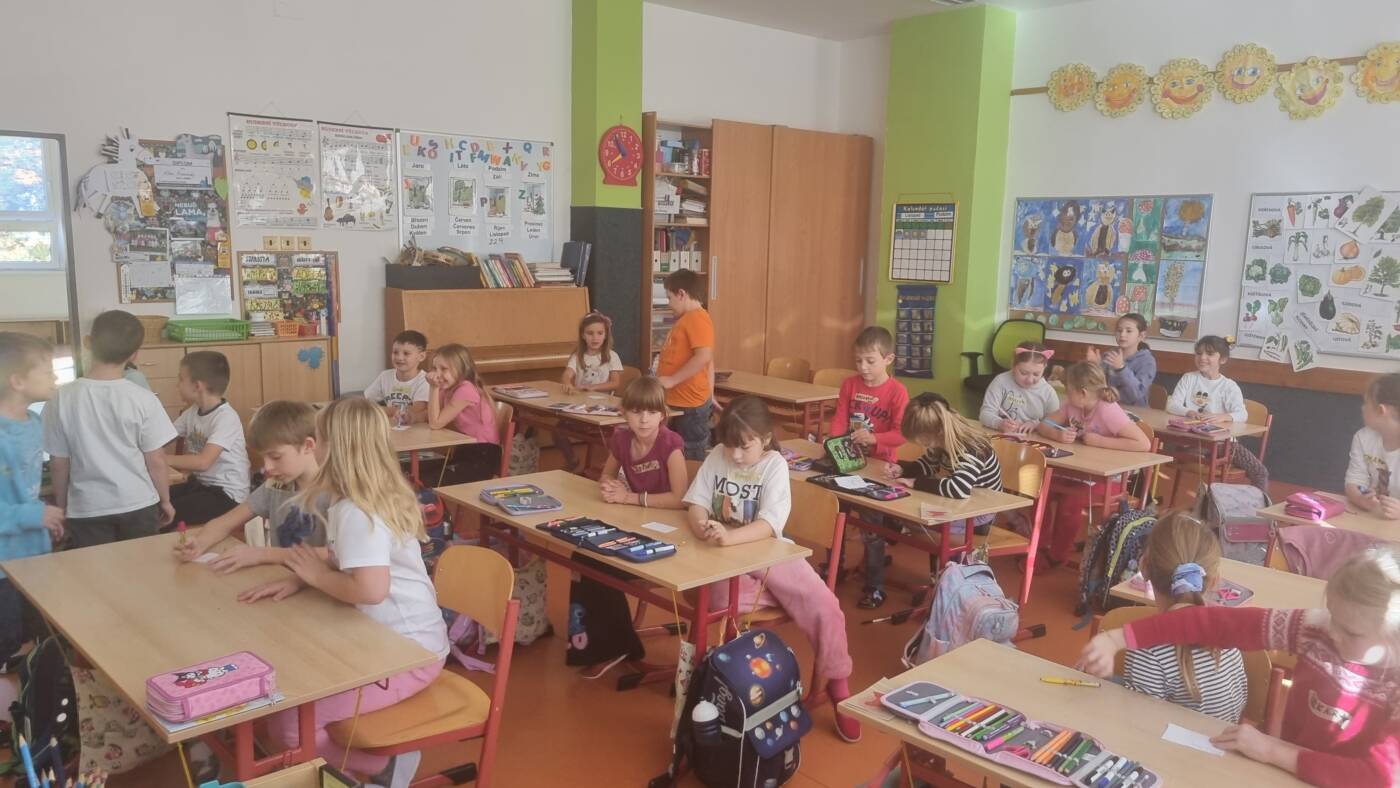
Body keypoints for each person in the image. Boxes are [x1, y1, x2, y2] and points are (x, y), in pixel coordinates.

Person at [243, 398, 448, 788]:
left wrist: (316, 576)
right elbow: (344, 558)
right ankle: (351, 769)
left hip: (408, 653)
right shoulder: (357, 498)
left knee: (290, 725)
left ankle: (382, 769)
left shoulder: (357, 510)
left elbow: (370, 589)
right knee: (285, 708)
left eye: (318, 438)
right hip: (387, 641)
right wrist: (302, 577)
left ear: (334, 448)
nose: (313, 445)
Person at [1079, 547, 1400, 787]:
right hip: (1289, 774)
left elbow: (1379, 777)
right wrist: (1119, 638)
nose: (1332, 633)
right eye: (1332, 616)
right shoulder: (1315, 628)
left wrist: (1272, 750)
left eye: (1351, 632)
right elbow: (1214, 624)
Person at [683, 396, 861, 742]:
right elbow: (696, 503)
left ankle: (839, 685)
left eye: (744, 447)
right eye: (730, 445)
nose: (735, 455)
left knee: (825, 606)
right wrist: (701, 525)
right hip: (723, 557)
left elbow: (768, 525)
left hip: (769, 552)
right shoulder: (718, 455)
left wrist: (729, 537)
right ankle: (717, 682)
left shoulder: (774, 465)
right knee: (719, 602)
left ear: (765, 439)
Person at [567, 376, 687, 675]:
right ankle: (606, 642)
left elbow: (680, 498)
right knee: (584, 556)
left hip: (669, 536)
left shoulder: (670, 445)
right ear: (624, 413)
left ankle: (617, 643)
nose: (644, 419)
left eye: (651, 412)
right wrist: (610, 486)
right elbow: (606, 475)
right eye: (636, 411)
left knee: (600, 563)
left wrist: (630, 497)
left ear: (663, 415)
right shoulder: (621, 440)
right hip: (636, 524)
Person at [44, 310, 177, 546]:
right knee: (141, 565)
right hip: (138, 503)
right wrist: (165, 500)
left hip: (87, 508)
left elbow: (58, 463)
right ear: (134, 355)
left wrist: (62, 506)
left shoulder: (61, 398)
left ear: (87, 342)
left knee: (95, 569)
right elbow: (156, 459)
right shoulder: (143, 398)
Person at [860, 392, 1003, 609]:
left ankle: (952, 585)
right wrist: (903, 469)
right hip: (957, 507)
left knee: (919, 521)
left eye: (923, 441)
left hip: (979, 515)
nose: (923, 445)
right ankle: (942, 579)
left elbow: (958, 488)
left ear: (936, 433)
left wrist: (916, 482)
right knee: (912, 517)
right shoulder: (941, 439)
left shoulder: (972, 447)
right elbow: (927, 465)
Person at [1122, 512, 1247, 723]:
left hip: (1165, 742)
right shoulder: (1225, 628)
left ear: (1143, 567)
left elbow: (1138, 724)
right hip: (1224, 738)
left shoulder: (1148, 649)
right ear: (1214, 580)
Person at [174, 400, 322, 571]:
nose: (267, 467)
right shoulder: (275, 485)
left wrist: (262, 554)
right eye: (264, 457)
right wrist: (199, 543)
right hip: (280, 577)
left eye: (275, 457)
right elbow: (225, 523)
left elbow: (335, 555)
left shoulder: (334, 493)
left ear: (308, 446)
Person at [1036, 362, 1150, 565]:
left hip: (1109, 478)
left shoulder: (1108, 410)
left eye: (1068, 390)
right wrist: (1057, 434)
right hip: (1080, 472)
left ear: (1082, 393)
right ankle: (1039, 546)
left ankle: (1057, 556)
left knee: (1070, 501)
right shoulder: (1073, 406)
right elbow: (1045, 424)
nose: (1066, 394)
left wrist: (1099, 441)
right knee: (1041, 490)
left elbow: (1143, 443)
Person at [0, 332, 62, 666]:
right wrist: (33, 516)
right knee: (9, 647)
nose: (55, 378)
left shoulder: (34, 422)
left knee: (38, 636)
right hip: (4, 566)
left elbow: (26, 490)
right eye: (48, 371)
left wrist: (43, 516)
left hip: (34, 554)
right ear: (17, 381)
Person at [1165, 335, 1268, 491]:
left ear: (1223, 360)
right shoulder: (1189, 378)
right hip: (1193, 441)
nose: (1202, 358)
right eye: (1199, 353)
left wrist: (1223, 417)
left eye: (1210, 354)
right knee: (1167, 446)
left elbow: (1242, 414)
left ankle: (1258, 504)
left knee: (1260, 472)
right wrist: (1189, 412)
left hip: (1223, 444)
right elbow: (1172, 404)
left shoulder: (1228, 386)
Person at [167, 351, 251, 525]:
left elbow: (203, 462)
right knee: (153, 502)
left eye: (181, 379)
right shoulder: (192, 412)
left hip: (228, 496)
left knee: (165, 512)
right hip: (202, 486)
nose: (177, 385)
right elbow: (163, 437)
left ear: (197, 386)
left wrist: (161, 458)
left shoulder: (226, 417)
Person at [656, 269, 715, 460]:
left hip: (690, 403)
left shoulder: (697, 318)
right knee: (673, 450)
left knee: (691, 453)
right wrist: (711, 392)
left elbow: (704, 356)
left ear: (682, 294)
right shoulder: (686, 320)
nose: (669, 303)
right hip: (679, 400)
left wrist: (672, 380)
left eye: (670, 297)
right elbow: (709, 362)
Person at [425, 343, 502, 484]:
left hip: (482, 455)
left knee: (430, 480)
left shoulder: (466, 389)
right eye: (435, 369)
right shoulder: (447, 388)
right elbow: (430, 414)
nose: (437, 374)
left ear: (461, 370)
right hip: (464, 450)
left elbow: (435, 423)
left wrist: (433, 388)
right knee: (417, 471)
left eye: (444, 369)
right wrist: (412, 416)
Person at [557, 312, 623, 471]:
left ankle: (612, 467)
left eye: (600, 333)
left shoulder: (611, 356)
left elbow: (615, 383)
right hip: (580, 408)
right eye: (590, 333)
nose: (595, 338)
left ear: (606, 335)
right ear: (583, 335)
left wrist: (594, 387)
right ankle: (572, 460)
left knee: (611, 436)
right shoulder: (578, 355)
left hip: (602, 410)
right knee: (557, 430)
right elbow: (567, 374)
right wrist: (567, 382)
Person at [1345, 373, 1400, 518]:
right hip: (1373, 520)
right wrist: (1360, 498)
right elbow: (1354, 481)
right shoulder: (1363, 437)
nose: (1362, 408)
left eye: (1366, 403)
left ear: (1381, 410)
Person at [978, 342, 1060, 432]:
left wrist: (1036, 425)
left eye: (1036, 374)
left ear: (1044, 368)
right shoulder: (1001, 381)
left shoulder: (1048, 392)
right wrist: (999, 423)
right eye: (1023, 373)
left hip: (1033, 438)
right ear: (1013, 365)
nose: (1029, 380)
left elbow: (1055, 423)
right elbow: (985, 414)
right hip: (1000, 435)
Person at [1086, 313, 1156, 407]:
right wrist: (1095, 366)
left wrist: (1121, 369)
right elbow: (1098, 387)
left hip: (1134, 411)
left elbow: (1136, 393)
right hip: (1109, 407)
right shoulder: (1109, 355)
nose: (1122, 334)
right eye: (1119, 330)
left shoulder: (1147, 361)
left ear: (1141, 336)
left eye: (1128, 331)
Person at [364, 330, 430, 426]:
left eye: (406, 353)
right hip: (391, 425)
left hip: (414, 427)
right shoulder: (385, 376)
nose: (399, 357)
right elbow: (367, 402)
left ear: (421, 356)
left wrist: (383, 410)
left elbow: (417, 408)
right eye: (395, 352)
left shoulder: (425, 380)